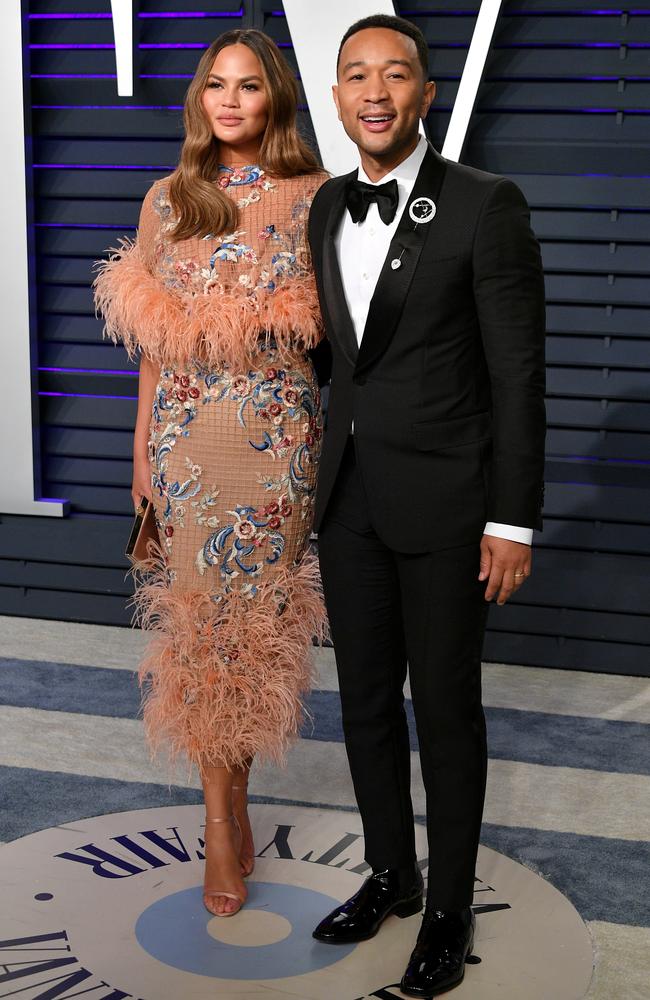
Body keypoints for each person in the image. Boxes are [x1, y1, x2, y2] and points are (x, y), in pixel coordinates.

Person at [307, 14, 545, 997]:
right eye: (355, 75)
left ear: (423, 93)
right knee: (363, 705)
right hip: (349, 500)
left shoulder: (484, 204)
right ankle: (390, 872)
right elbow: (338, 360)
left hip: (450, 505)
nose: (374, 92)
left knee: (444, 711)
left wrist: (511, 518)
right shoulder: (323, 205)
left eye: (393, 75)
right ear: (335, 96)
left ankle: (446, 908)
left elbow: (518, 374)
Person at [94, 29, 328, 919]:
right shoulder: (168, 200)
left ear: (275, 101)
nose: (230, 102)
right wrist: (141, 453)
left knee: (253, 637)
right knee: (198, 638)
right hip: (189, 443)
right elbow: (153, 345)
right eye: (217, 86)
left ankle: (238, 806)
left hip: (277, 443)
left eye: (250, 87)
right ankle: (221, 828)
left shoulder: (314, 197)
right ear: (200, 98)